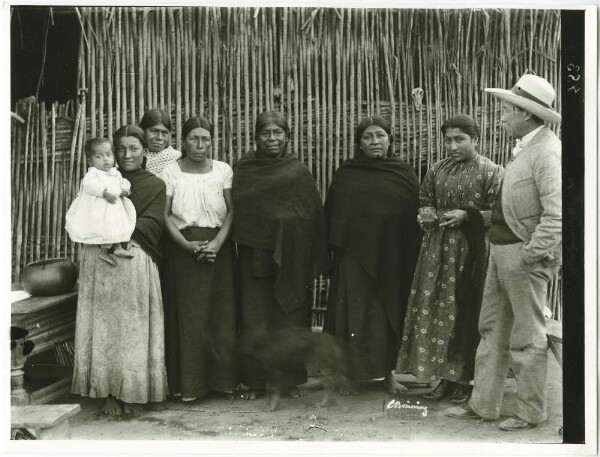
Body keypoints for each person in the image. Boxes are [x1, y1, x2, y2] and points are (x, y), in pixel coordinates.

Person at [445, 74, 562, 431]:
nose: (501, 118)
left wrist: (531, 254)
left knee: (527, 336)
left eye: (506, 111)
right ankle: (483, 405)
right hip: (501, 250)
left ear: (526, 114)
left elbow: (558, 213)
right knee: (491, 327)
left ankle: (530, 411)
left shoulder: (547, 152)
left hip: (521, 256)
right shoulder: (527, 146)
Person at [396, 114, 503, 403]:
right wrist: (426, 215)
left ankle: (466, 380)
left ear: (475, 140)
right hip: (436, 252)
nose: (453, 146)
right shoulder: (437, 169)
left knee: (465, 311)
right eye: (448, 140)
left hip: (471, 252)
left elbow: (499, 213)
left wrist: (467, 216)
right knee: (438, 312)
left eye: (460, 139)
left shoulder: (490, 171)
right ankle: (443, 377)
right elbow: (425, 201)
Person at [71, 125, 169, 415]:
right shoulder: (98, 181)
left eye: (134, 149)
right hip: (99, 262)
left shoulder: (154, 185)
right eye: (121, 149)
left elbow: (153, 224)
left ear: (144, 152)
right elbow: (83, 215)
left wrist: (119, 231)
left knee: (132, 329)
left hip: (135, 259)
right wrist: (102, 234)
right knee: (104, 328)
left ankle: (134, 393)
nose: (127, 155)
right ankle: (108, 393)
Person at [232, 111, 330, 400]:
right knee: (255, 320)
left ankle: (287, 381)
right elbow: (239, 212)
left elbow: (312, 215)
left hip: (292, 258)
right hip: (254, 257)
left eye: (278, 133)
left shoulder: (297, 172)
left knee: (289, 321)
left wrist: (287, 228)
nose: (272, 138)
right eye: (266, 133)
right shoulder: (245, 169)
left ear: (288, 137)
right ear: (256, 137)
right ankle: (254, 382)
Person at [323, 116, 422, 395]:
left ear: (390, 139)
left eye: (380, 135)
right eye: (368, 137)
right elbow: (333, 215)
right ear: (359, 143)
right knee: (350, 316)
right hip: (353, 258)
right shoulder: (346, 173)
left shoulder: (402, 173)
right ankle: (347, 375)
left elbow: (413, 215)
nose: (374, 141)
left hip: (391, 257)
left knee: (387, 315)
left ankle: (388, 375)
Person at [161, 117, 238, 402]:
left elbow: (231, 211)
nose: (199, 145)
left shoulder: (223, 171)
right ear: (182, 141)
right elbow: (164, 214)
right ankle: (191, 386)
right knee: (190, 317)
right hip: (184, 251)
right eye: (193, 138)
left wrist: (217, 243)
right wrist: (186, 245)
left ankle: (224, 383)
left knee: (221, 316)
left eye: (205, 139)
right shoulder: (171, 172)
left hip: (219, 251)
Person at [65, 137, 136, 266]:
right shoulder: (93, 173)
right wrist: (103, 192)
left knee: (116, 227)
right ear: (90, 161)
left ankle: (118, 247)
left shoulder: (115, 173)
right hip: (99, 209)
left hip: (114, 207)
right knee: (104, 228)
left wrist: (125, 190)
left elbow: (124, 183)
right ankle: (104, 251)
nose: (105, 159)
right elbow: (89, 185)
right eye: (99, 157)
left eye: (108, 155)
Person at [140, 109, 181, 175]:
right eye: (154, 131)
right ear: (143, 130)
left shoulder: (178, 160)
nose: (159, 138)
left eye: (164, 133)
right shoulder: (131, 158)